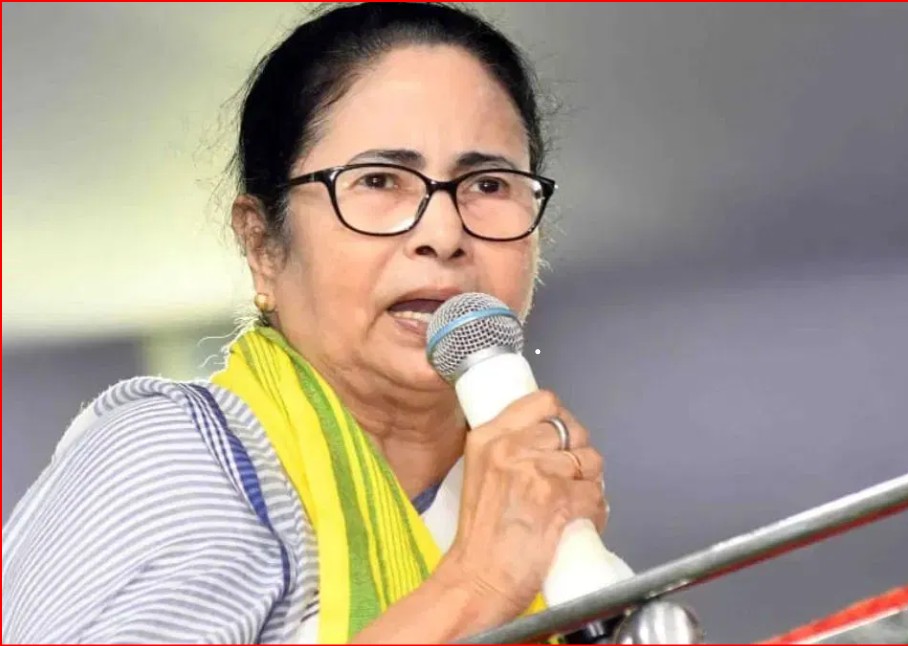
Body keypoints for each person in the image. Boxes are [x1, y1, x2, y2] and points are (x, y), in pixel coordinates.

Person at [2, 3, 610, 643]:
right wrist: (478, 585)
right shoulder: (177, 454)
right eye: (379, 180)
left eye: (488, 184)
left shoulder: (532, 503)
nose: (444, 232)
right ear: (263, 244)